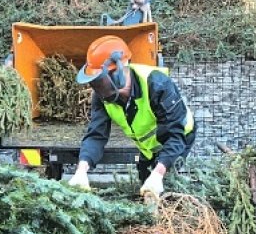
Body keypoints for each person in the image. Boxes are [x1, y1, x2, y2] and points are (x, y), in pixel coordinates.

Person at [68, 35, 195, 198]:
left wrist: (158, 174)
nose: (98, 89)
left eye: (101, 81)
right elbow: (96, 135)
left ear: (120, 73)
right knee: (144, 185)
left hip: (178, 138)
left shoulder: (157, 85)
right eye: (95, 83)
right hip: (148, 148)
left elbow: (175, 136)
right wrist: (81, 171)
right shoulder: (103, 97)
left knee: (166, 188)